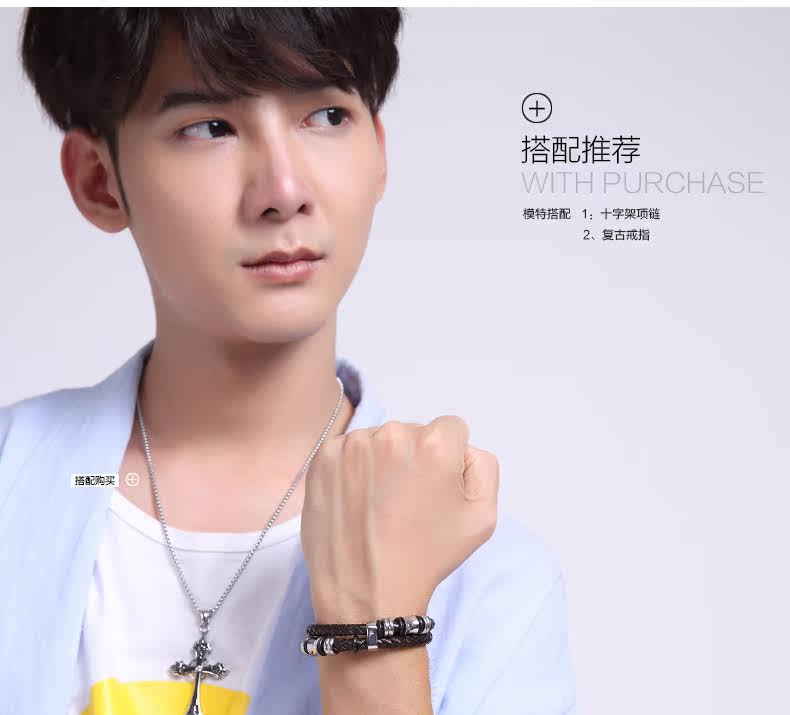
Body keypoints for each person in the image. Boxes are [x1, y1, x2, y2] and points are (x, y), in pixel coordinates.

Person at [0, 8, 577, 714]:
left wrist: (376, 632)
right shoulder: (14, 481)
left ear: (379, 153)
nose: (284, 191)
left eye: (327, 116)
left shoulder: (485, 575)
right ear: (100, 180)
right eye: (210, 127)